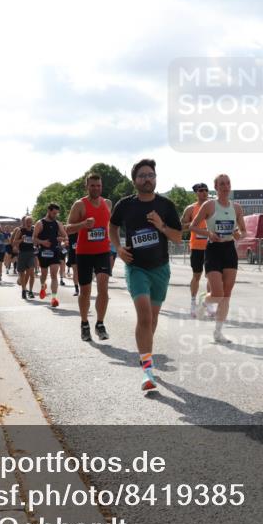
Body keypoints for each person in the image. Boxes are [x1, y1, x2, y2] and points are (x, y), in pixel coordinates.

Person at [109, 159, 182, 391]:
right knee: (144, 316)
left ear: (156, 178)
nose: (147, 179)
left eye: (150, 175)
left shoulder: (166, 205)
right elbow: (112, 226)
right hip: (136, 267)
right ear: (134, 181)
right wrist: (118, 249)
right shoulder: (125, 205)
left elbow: (178, 238)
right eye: (142, 176)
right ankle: (147, 370)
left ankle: (145, 353)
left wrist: (161, 225)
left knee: (152, 317)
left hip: (160, 268)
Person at [191, 174, 246, 344]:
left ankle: (218, 332)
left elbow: (243, 231)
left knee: (227, 295)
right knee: (218, 293)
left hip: (229, 250)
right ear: (216, 187)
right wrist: (209, 233)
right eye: (221, 184)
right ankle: (203, 301)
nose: (225, 186)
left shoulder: (236, 207)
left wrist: (238, 234)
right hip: (213, 249)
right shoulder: (209, 205)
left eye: (228, 183)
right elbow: (193, 226)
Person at [65, 172, 113, 342]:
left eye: (98, 185)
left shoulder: (107, 203)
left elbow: (110, 227)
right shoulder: (80, 205)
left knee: (103, 287)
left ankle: (100, 324)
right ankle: (84, 323)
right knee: (85, 291)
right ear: (87, 186)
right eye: (92, 185)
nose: (96, 188)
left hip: (103, 251)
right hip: (84, 253)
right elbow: (68, 228)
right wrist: (83, 225)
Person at [181, 183, 212, 318]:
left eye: (206, 190)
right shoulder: (191, 208)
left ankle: (208, 303)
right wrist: (194, 224)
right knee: (197, 275)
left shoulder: (213, 207)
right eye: (201, 190)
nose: (204, 193)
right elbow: (181, 226)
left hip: (212, 246)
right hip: (196, 246)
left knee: (212, 276)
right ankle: (193, 302)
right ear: (196, 193)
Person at [34, 203, 68, 307]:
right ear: (48, 210)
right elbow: (33, 238)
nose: (55, 215)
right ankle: (43, 286)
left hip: (54, 252)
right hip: (43, 252)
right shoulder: (40, 223)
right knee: (44, 275)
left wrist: (64, 242)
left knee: (54, 275)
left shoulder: (58, 223)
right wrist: (43, 242)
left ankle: (54, 298)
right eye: (54, 213)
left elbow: (65, 236)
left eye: (57, 213)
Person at [12, 216, 37, 299]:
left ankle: (30, 291)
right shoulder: (21, 231)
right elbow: (14, 242)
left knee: (31, 273)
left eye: (30, 222)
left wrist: (36, 243)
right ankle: (23, 290)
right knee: (22, 274)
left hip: (31, 253)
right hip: (22, 253)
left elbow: (37, 241)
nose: (29, 224)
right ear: (25, 223)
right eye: (27, 222)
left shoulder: (34, 231)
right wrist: (21, 240)